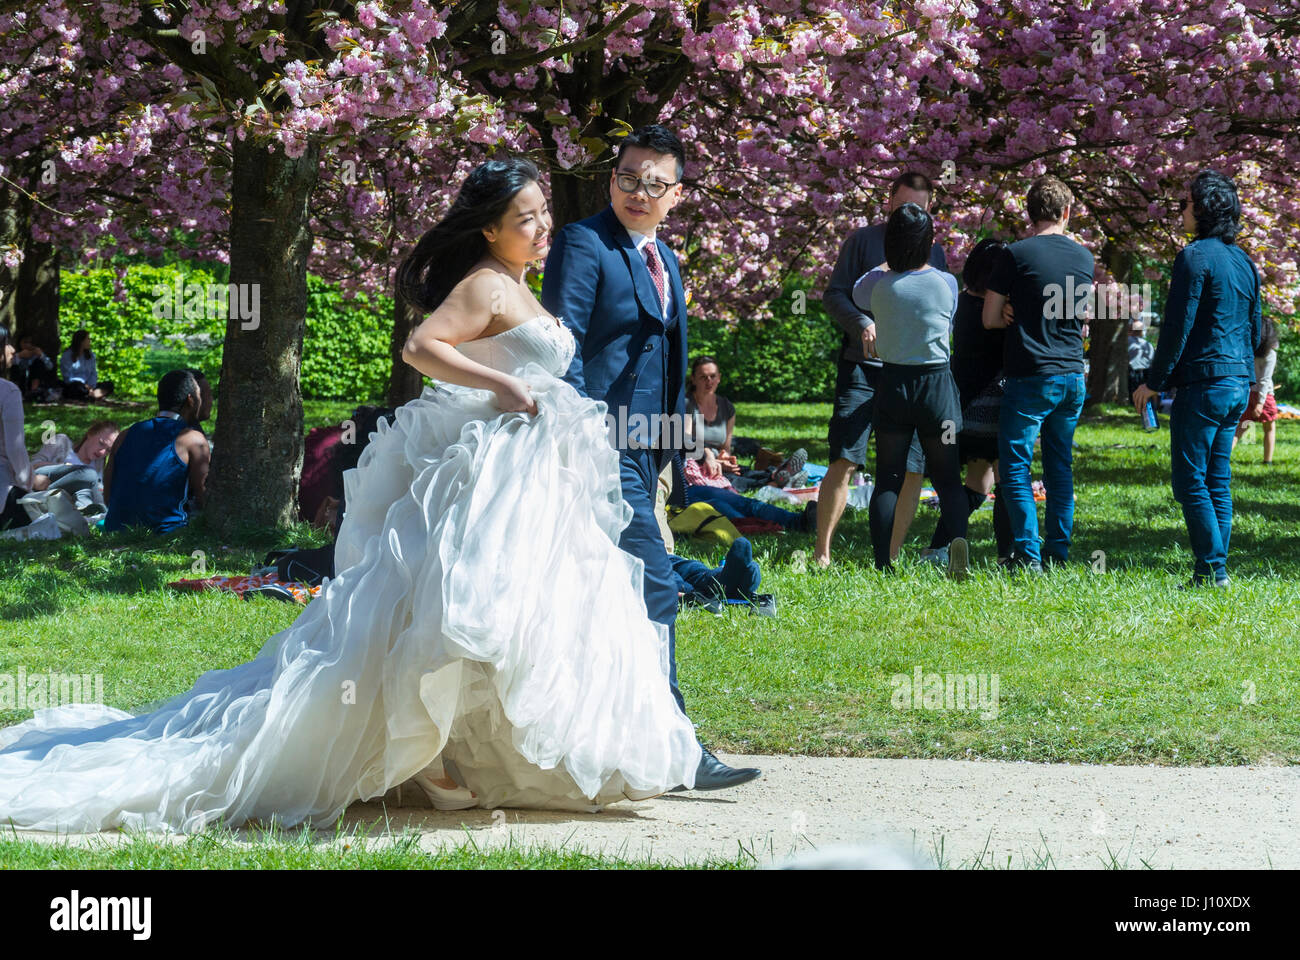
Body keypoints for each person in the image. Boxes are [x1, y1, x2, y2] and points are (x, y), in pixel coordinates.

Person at [0, 157, 706, 833]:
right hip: (495, 476)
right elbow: (422, 347)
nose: (544, 226)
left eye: (544, 212)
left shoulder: (516, 281)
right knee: (457, 616)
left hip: (529, 482)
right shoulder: (487, 284)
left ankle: (472, 754)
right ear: (490, 228)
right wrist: (504, 386)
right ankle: (424, 755)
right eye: (527, 217)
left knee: (512, 618)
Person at [543, 124, 760, 791]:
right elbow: (564, 345)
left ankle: (606, 740)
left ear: (677, 194)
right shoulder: (585, 243)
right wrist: (578, 432)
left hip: (649, 452)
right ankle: (679, 751)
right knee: (656, 583)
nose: (640, 192)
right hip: (599, 444)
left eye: (655, 183)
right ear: (612, 181)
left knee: (606, 592)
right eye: (628, 178)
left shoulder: (668, 261)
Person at [1133, 170, 1261, 587]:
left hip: (1204, 384)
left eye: (1184, 204)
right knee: (1216, 480)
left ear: (1203, 209)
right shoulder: (1245, 262)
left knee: (1190, 482)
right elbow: (1256, 332)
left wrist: (1153, 381)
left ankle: (1213, 570)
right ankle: (1214, 570)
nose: (1180, 211)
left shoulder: (1194, 256)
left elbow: (1176, 327)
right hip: (1237, 382)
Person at [817, 171, 948, 568]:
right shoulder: (860, 241)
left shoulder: (937, 253)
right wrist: (863, 323)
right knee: (845, 456)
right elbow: (834, 295)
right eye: (902, 205)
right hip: (862, 367)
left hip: (911, 374)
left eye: (918, 207)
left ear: (929, 210)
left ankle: (889, 557)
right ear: (888, 202)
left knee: (912, 468)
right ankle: (822, 552)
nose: (908, 213)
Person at [983, 176, 1095, 573]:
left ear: (1029, 213)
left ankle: (1028, 556)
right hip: (1071, 374)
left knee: (1015, 466)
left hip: (1030, 372)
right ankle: (1058, 551)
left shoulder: (1015, 254)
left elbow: (989, 317)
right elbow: (1078, 315)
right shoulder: (1085, 259)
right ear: (1066, 212)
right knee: (1059, 467)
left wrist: (1011, 313)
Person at [852, 203, 968, 577]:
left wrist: (889, 263)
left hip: (894, 384)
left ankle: (883, 563)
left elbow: (857, 292)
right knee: (948, 479)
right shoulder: (946, 283)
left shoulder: (879, 285)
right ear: (930, 242)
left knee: (888, 478)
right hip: (936, 385)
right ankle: (956, 556)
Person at [924, 238, 1014, 565]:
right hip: (993, 402)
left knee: (977, 483)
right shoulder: (1000, 312)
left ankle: (937, 548)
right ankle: (1008, 553)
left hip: (961, 403)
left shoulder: (960, 304)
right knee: (1007, 479)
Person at [101, 370, 211, 535]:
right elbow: (205, 498)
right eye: (200, 396)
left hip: (116, 526)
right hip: (166, 530)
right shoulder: (192, 439)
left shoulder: (126, 434)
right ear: (190, 400)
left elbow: (108, 495)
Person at [28, 419, 120, 515]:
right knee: (89, 474)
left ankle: (89, 515)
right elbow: (33, 465)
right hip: (46, 487)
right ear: (90, 433)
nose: (102, 452)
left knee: (85, 490)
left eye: (108, 450)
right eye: (101, 443)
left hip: (67, 500)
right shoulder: (61, 441)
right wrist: (65, 467)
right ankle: (104, 513)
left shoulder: (98, 463)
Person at [0, 324, 35, 531]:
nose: (12, 350)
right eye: (7, 344)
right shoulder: (8, 391)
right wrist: (29, 483)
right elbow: (15, 448)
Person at [1233, 317, 1279, 464]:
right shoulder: (1270, 354)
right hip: (1263, 396)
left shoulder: (1248, 351)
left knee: (1240, 427)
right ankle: (1268, 461)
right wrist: (1260, 403)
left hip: (1247, 393)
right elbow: (1265, 380)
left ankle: (1221, 459)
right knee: (1270, 428)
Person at [685, 355, 739, 475]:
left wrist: (725, 458)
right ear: (693, 379)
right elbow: (685, 441)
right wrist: (708, 454)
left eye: (713, 376)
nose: (709, 381)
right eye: (703, 377)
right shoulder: (687, 404)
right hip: (694, 462)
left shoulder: (727, 407)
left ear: (719, 378)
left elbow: (725, 448)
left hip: (716, 463)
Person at [58, 329, 114, 401]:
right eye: (88, 339)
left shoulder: (91, 356)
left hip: (89, 387)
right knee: (76, 387)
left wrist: (90, 386)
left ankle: (90, 395)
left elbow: (93, 373)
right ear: (81, 341)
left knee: (109, 385)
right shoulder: (67, 355)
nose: (89, 341)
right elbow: (67, 376)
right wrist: (84, 385)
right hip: (75, 385)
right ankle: (91, 395)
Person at [9, 334, 56, 401]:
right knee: (15, 367)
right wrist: (19, 356)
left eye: (30, 343)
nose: (28, 345)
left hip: (35, 381)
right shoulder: (16, 354)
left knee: (38, 363)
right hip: (21, 381)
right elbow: (8, 365)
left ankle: (34, 391)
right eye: (25, 342)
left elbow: (50, 367)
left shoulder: (37, 355)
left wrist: (41, 356)